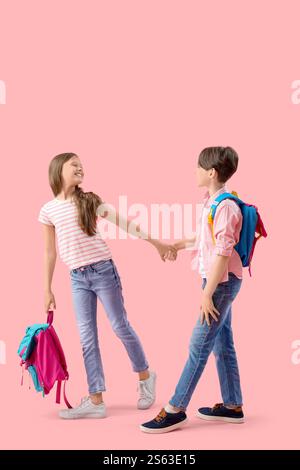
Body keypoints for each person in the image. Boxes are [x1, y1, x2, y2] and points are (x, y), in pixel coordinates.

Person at [38, 152, 176, 419]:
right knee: (87, 337)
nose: (80, 167)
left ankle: (146, 377)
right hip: (77, 279)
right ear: (57, 171)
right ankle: (96, 399)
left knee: (119, 325)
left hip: (103, 271)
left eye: (81, 165)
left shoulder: (90, 201)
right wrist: (47, 288)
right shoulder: (48, 210)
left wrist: (157, 243)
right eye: (73, 164)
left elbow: (126, 224)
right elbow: (49, 252)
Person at [140, 146, 245, 433]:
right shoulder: (212, 202)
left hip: (219, 285)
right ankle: (232, 405)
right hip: (215, 283)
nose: (195, 171)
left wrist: (207, 293)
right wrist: (175, 245)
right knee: (222, 342)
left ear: (210, 172)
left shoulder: (226, 206)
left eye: (198, 167)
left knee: (198, 347)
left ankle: (176, 408)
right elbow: (205, 240)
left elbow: (223, 253)